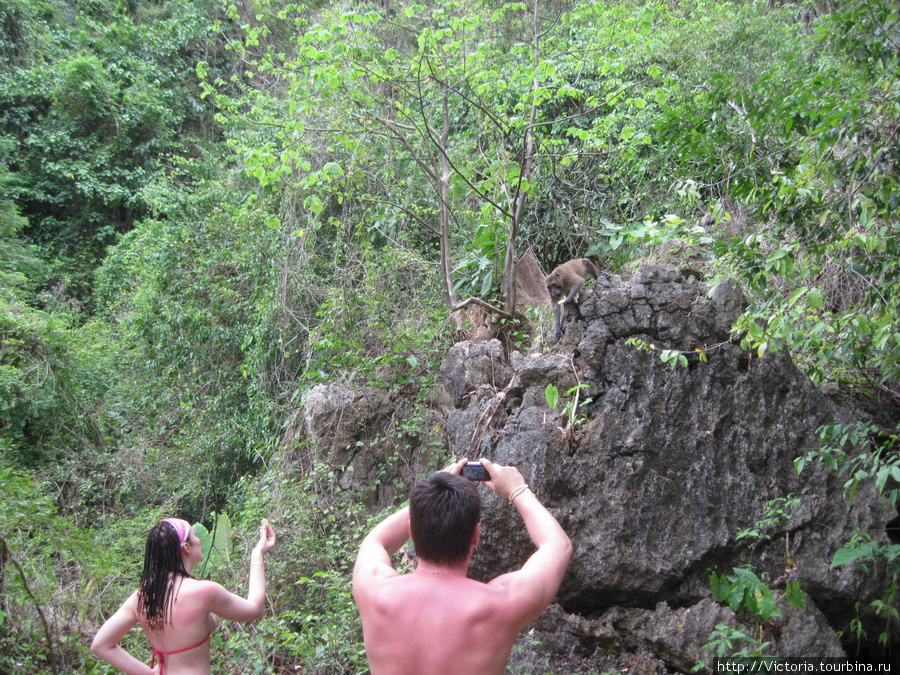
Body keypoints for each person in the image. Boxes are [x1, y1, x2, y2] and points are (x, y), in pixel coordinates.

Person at [352, 456, 573, 675]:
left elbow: (375, 541)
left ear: (411, 532)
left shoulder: (374, 590)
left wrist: (427, 501)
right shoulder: (500, 604)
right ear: (476, 536)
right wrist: (518, 490)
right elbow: (557, 545)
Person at [91, 517, 276, 675]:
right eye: (195, 536)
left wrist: (148, 673)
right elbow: (255, 609)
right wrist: (257, 554)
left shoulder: (141, 597)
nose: (199, 541)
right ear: (187, 546)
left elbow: (100, 644)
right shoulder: (204, 591)